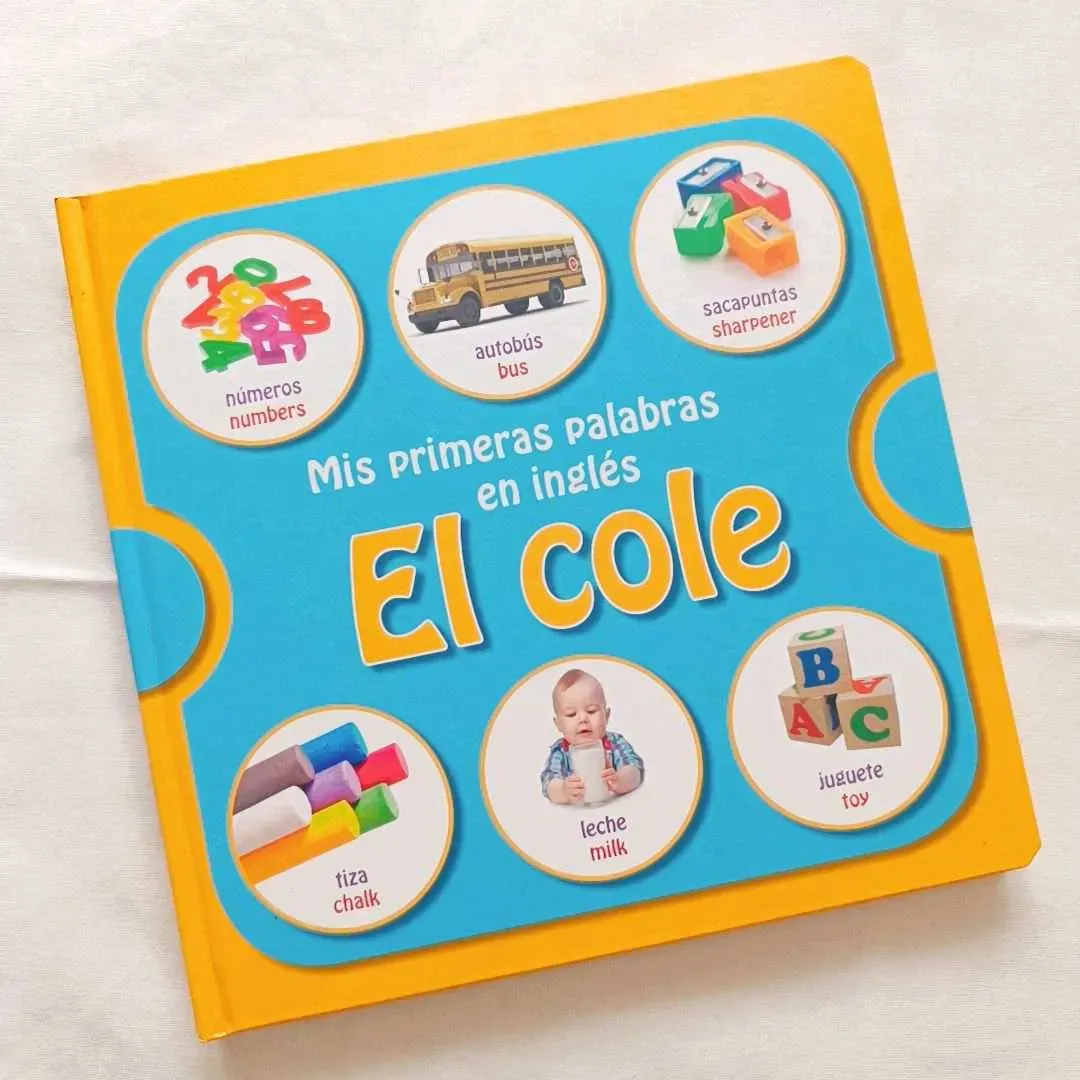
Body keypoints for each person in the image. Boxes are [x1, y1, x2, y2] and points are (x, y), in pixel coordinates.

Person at [541, 668, 644, 805]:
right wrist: (563, 790)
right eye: (571, 714)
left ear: (606, 716)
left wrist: (621, 780)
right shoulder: (560, 751)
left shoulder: (614, 743)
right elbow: (548, 782)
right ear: (558, 724)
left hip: (613, 808)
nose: (583, 719)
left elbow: (634, 768)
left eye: (591, 711)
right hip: (578, 814)